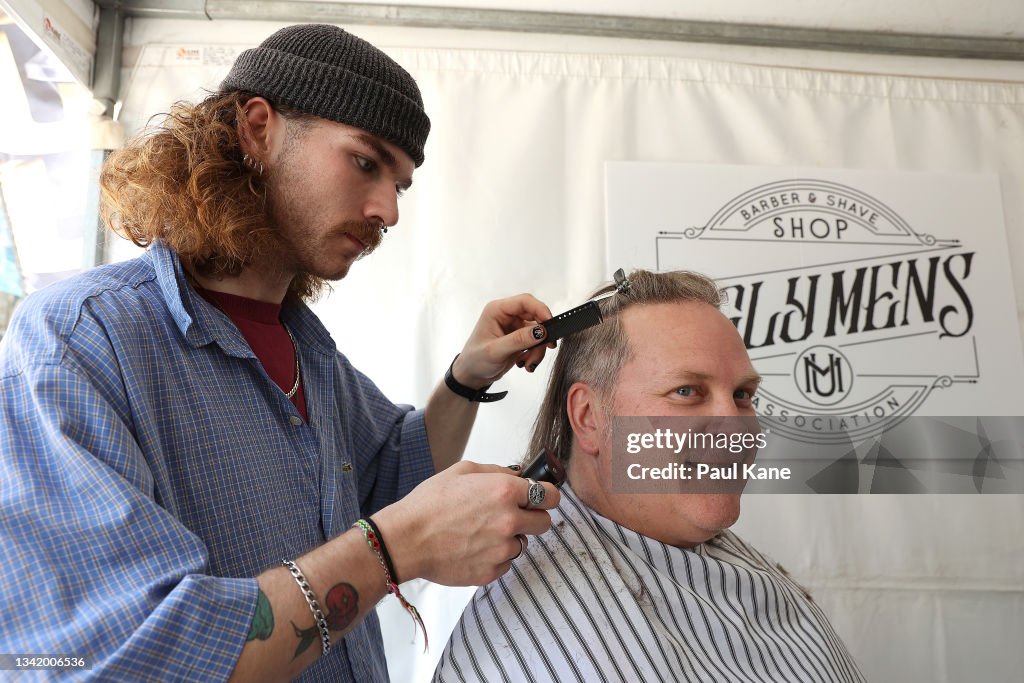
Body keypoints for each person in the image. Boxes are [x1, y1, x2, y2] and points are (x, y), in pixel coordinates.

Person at [0, 24, 561, 683]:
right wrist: (394, 549)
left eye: (400, 185)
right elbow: (133, 654)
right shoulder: (80, 341)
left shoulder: (307, 350)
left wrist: (468, 377)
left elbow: (394, 476)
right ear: (259, 127)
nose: (387, 209)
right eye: (365, 161)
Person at [434, 269, 864, 683]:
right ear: (589, 418)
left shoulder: (720, 558)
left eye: (742, 395)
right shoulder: (535, 633)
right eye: (686, 392)